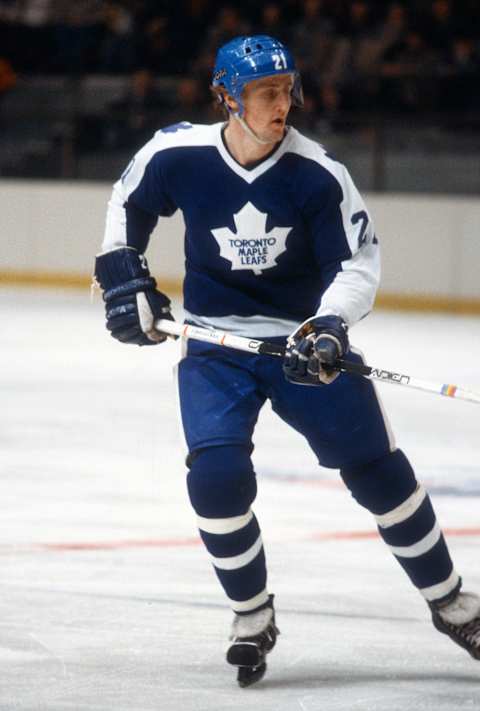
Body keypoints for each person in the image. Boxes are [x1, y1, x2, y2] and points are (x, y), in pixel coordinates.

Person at [94, 35, 480, 687]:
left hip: (303, 345)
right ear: (227, 98)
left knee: (381, 475)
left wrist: (328, 326)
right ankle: (251, 613)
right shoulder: (175, 153)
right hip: (217, 347)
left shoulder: (317, 172)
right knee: (215, 476)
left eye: (287, 89)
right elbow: (125, 210)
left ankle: (453, 604)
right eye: (267, 93)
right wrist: (125, 280)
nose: (284, 104)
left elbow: (356, 264)